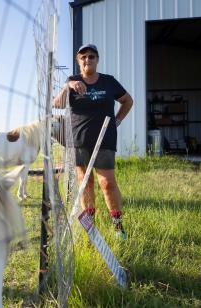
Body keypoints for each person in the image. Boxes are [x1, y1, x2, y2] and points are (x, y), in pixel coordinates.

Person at [54, 44, 133, 239]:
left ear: (97, 59)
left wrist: (118, 120)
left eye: (91, 56)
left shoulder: (108, 82)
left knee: (107, 183)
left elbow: (127, 101)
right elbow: (56, 104)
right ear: (78, 61)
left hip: (104, 139)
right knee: (85, 183)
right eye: (83, 57)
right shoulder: (72, 81)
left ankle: (118, 227)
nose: (87, 60)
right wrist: (68, 86)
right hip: (78, 140)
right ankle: (91, 230)